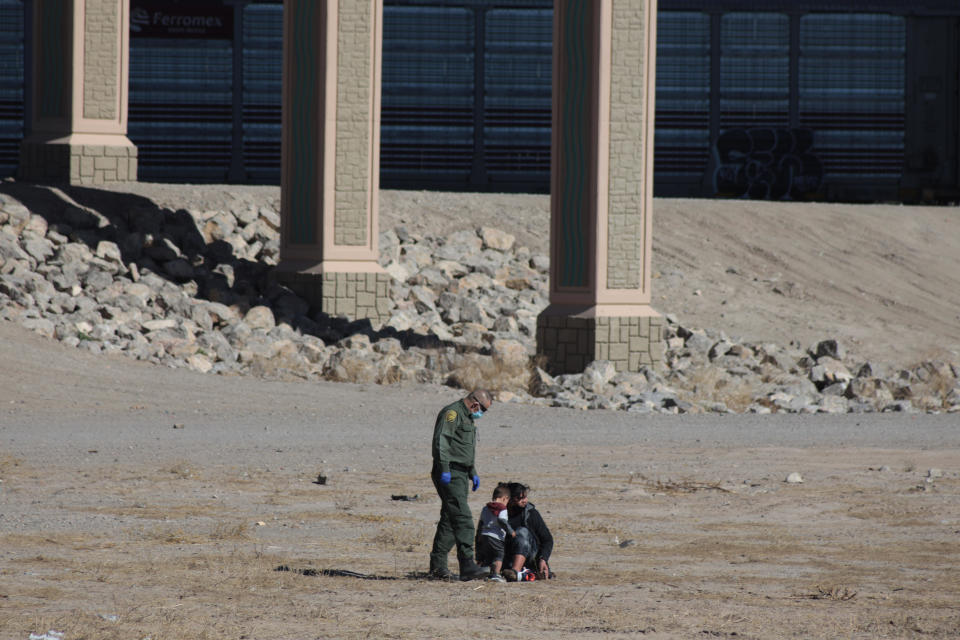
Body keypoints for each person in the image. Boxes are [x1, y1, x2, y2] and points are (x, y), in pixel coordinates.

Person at [428, 389, 493, 581]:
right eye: (483, 410)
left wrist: (472, 472)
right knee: (463, 518)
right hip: (450, 472)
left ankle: (438, 567)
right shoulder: (452, 413)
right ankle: (467, 564)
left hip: (462, 473)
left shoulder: (468, 418)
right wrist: (444, 468)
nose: (482, 414)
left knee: (450, 518)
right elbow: (442, 441)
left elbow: (464, 448)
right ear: (475, 404)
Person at [501, 482, 554, 582]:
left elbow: (547, 539)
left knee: (522, 532)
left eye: (525, 497)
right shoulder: (499, 514)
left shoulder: (530, 514)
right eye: (520, 498)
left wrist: (543, 559)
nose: (525, 501)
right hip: (506, 555)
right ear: (510, 499)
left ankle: (515, 572)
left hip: (530, 555)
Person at [474, 482, 516, 582]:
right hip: (496, 537)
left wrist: (479, 535)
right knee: (499, 555)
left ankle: (486, 573)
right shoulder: (503, 509)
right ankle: (496, 574)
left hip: (485, 535)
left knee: (488, 556)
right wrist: (511, 531)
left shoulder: (485, 508)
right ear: (505, 498)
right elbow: (502, 521)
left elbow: (481, 523)